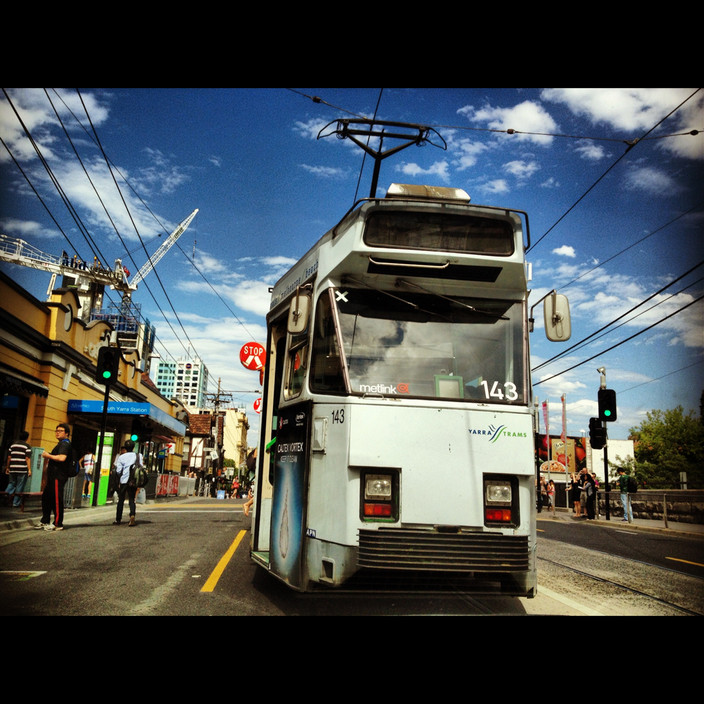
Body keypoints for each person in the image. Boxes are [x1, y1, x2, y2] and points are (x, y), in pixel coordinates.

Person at [37, 423, 74, 531]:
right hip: (53, 476)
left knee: (56, 499)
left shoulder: (65, 444)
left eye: (60, 431)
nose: (57, 432)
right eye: (56, 430)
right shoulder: (60, 444)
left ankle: (58, 523)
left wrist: (48, 456)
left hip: (59, 475)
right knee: (47, 497)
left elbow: (62, 458)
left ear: (66, 433)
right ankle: (45, 520)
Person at [113, 440, 142, 526]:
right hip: (133, 481)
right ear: (133, 447)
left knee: (121, 500)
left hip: (124, 480)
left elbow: (118, 471)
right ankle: (132, 515)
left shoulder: (121, 457)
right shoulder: (138, 455)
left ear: (125, 448)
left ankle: (118, 519)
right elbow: (141, 467)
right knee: (131, 499)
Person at [5, 431, 32, 508]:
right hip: (22, 469)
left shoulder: (12, 446)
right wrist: (29, 469)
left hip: (13, 468)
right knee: (20, 486)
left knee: (11, 483)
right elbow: (27, 458)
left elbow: (9, 457)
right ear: (27, 438)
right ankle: (15, 503)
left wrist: (7, 467)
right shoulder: (27, 446)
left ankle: (6, 498)